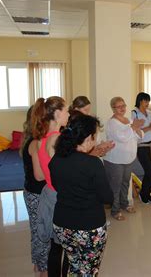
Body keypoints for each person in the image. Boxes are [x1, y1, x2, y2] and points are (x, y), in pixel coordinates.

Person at [50, 114, 114, 276]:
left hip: (62, 224)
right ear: (88, 138)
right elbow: (108, 198)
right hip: (88, 227)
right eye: (95, 136)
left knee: (75, 265)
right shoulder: (93, 164)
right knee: (88, 271)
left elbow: (57, 186)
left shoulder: (57, 159)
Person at [31, 96, 70, 277]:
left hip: (49, 195)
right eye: (67, 110)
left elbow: (39, 175)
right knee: (68, 248)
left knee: (56, 247)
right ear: (57, 113)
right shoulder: (57, 140)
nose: (69, 114)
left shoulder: (41, 139)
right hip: (61, 199)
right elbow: (64, 174)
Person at [104, 97, 144, 221]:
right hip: (115, 160)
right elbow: (122, 137)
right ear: (113, 108)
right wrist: (133, 128)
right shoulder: (112, 122)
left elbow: (140, 135)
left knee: (126, 183)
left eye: (123, 105)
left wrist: (136, 128)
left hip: (128, 158)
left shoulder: (129, 120)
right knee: (115, 186)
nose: (122, 108)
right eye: (118, 106)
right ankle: (115, 210)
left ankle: (124, 204)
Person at [21, 106, 49, 275]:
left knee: (37, 230)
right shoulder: (35, 142)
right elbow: (39, 176)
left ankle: (39, 264)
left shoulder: (33, 139)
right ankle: (43, 269)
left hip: (32, 191)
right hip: (37, 193)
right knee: (42, 232)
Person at [132, 92, 151, 204]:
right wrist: (150, 126)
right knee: (148, 171)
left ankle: (147, 193)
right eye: (145, 101)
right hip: (142, 146)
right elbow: (136, 131)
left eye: (148, 101)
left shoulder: (149, 112)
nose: (147, 103)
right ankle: (143, 194)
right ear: (140, 101)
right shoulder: (134, 113)